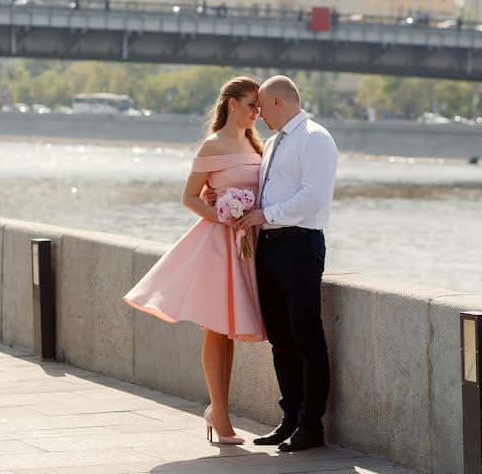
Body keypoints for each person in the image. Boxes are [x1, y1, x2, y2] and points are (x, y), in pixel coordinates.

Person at [124, 76, 266, 445]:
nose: (257, 112)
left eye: (260, 106)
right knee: (218, 328)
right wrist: (224, 215)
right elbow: (189, 197)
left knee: (230, 332)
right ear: (232, 104)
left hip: (248, 246)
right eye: (251, 104)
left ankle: (216, 410)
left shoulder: (256, 144)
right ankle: (220, 415)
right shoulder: (212, 145)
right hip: (220, 246)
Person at [237, 75, 339, 452]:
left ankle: (312, 426)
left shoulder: (316, 138)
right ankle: (291, 417)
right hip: (270, 247)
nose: (258, 114)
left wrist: (267, 214)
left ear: (278, 101)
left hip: (300, 245)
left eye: (261, 106)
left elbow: (313, 197)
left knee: (305, 335)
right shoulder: (276, 142)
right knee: (280, 337)